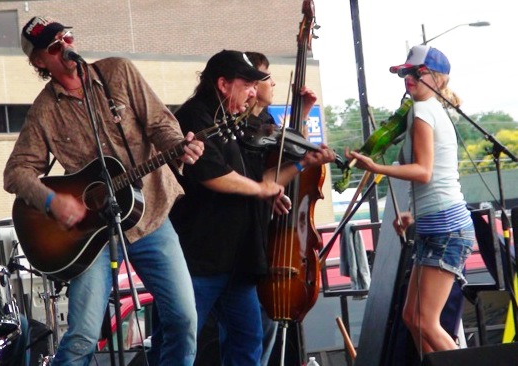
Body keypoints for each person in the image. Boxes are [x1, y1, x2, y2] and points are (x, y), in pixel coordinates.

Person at [4, 16, 204, 366]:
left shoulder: (118, 73)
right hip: (91, 236)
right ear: (39, 61)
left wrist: (178, 145)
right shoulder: (44, 111)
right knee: (82, 335)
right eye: (54, 46)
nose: (66, 47)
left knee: (184, 319)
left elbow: (160, 122)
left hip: (151, 218)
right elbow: (16, 173)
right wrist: (52, 201)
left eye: (67, 37)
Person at [170, 49, 335, 365]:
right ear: (223, 83)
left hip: (240, 258)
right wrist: (260, 189)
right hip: (201, 257)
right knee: (181, 344)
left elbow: (261, 179)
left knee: (248, 344)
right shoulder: (196, 116)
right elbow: (214, 174)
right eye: (247, 84)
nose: (252, 92)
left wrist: (301, 163)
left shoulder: (237, 120)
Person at [345, 45, 475, 357]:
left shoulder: (423, 110)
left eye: (418, 72)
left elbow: (424, 171)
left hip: (446, 230)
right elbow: (439, 176)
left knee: (424, 321)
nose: (409, 78)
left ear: (439, 80)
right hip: (438, 226)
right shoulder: (427, 110)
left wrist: (376, 167)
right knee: (413, 318)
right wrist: (413, 215)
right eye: (406, 72)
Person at [244, 51, 319, 366]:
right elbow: (256, 175)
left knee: (267, 326)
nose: (273, 82)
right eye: (266, 76)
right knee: (249, 331)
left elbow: (285, 159)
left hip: (270, 238)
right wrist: (265, 192)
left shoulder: (266, 121)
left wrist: (302, 114)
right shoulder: (242, 127)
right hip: (251, 239)